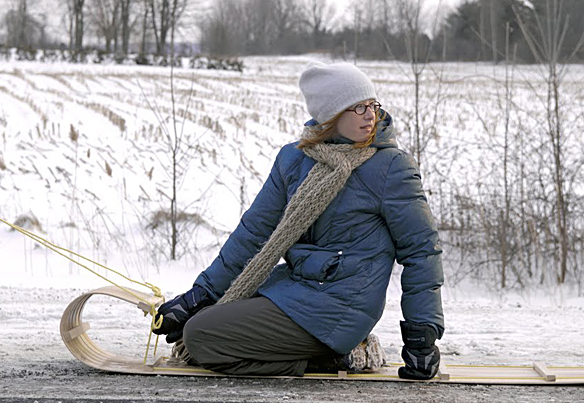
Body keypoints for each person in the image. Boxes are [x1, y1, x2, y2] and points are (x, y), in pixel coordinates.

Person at [152, 61, 444, 380]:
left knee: (201, 336)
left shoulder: (390, 167)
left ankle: (333, 359)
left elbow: (421, 251)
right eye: (358, 107)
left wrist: (422, 337)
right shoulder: (294, 160)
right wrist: (199, 296)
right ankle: (328, 354)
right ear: (330, 115)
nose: (370, 115)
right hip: (295, 289)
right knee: (211, 313)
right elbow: (254, 234)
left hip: (341, 306)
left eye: (373, 105)